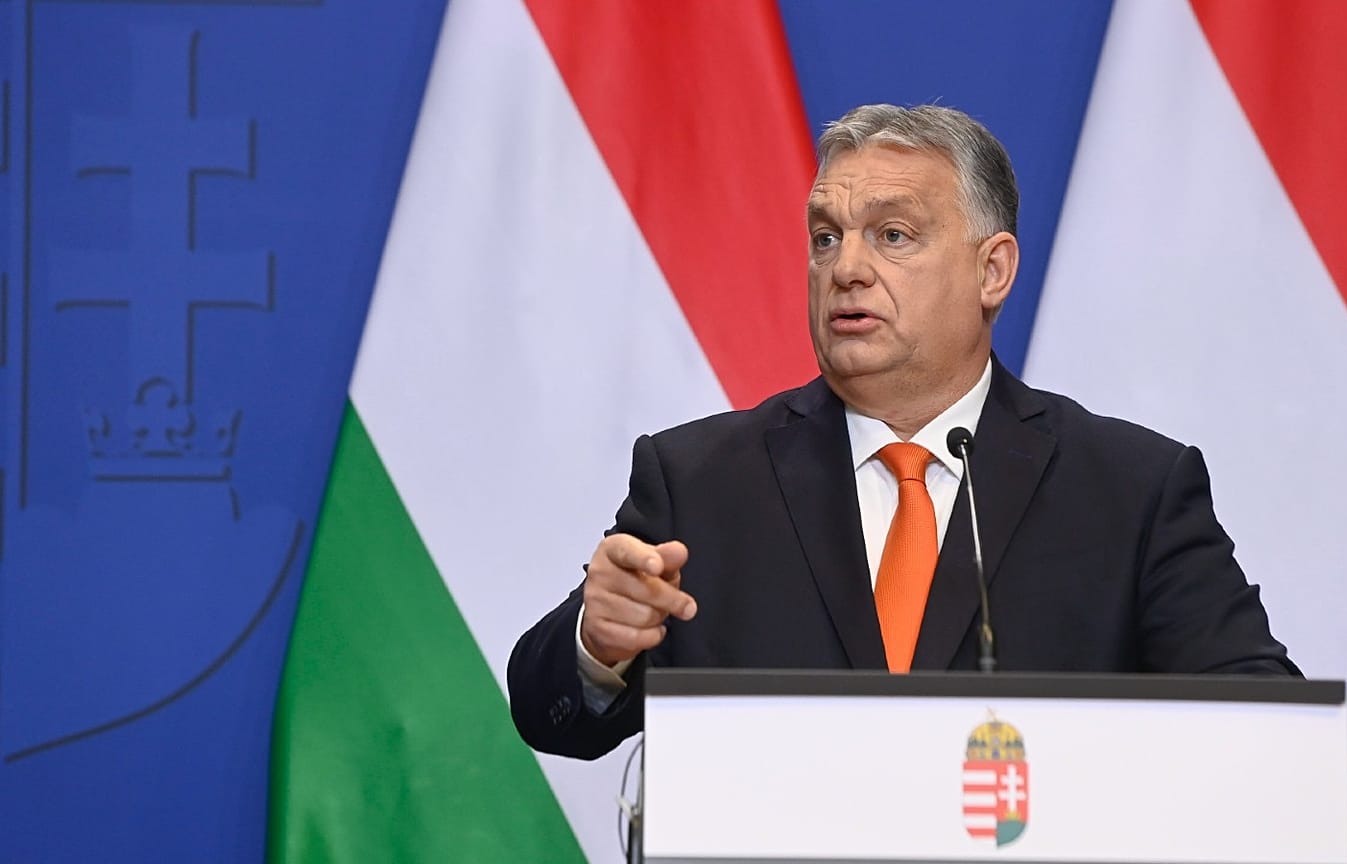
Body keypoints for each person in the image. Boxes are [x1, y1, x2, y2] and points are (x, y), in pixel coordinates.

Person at [508, 104, 1299, 760]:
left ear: (992, 271)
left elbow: (1268, 734)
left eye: (892, 235)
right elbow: (550, 709)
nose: (846, 267)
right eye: (826, 237)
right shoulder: (703, 481)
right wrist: (597, 643)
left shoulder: (1129, 491)